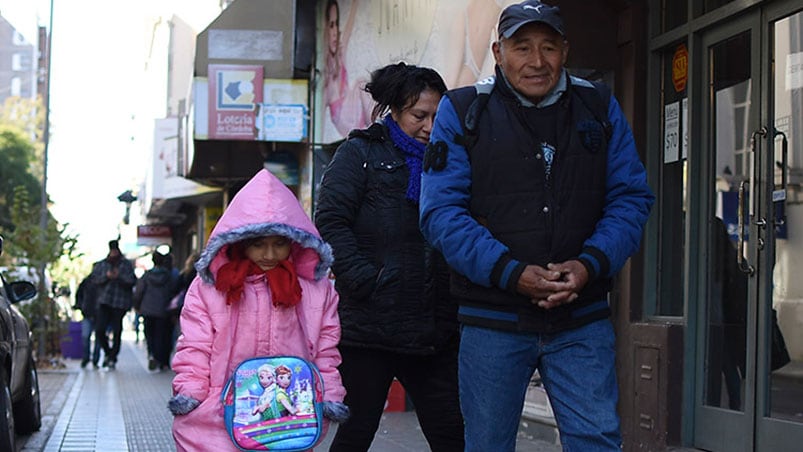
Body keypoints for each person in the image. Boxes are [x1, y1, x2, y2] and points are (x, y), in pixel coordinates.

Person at [419, 2, 655, 450]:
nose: (537, 60)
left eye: (549, 47)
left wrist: (588, 265)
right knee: (487, 443)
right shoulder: (463, 110)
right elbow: (440, 214)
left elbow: (631, 198)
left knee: (598, 439)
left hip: (581, 317)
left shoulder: (598, 106)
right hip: (493, 319)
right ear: (497, 51)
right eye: (522, 47)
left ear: (565, 50)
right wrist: (512, 273)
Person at [315, 62, 464, 451]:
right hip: (370, 326)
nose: (430, 127)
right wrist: (365, 278)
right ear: (394, 110)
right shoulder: (360, 152)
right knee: (356, 431)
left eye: (438, 115)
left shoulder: (452, 159)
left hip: (434, 326)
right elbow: (330, 221)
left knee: (451, 433)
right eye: (420, 116)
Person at [168, 169, 348, 451]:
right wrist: (191, 391)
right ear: (239, 243)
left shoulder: (316, 289)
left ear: (294, 242)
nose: (269, 255)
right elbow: (195, 345)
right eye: (258, 244)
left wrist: (330, 393)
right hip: (218, 407)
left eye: (279, 244)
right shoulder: (211, 288)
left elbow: (325, 348)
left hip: (289, 413)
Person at [323, 0, 373, 139]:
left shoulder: (339, 55)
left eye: (336, 24)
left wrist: (355, 5)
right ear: (325, 28)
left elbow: (348, 29)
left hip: (350, 114)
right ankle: (378, 130)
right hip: (343, 118)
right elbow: (319, 111)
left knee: (362, 84)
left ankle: (377, 128)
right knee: (361, 84)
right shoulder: (324, 73)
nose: (334, 33)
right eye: (331, 25)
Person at [90, 239, 137, 370]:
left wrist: (119, 277)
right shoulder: (102, 264)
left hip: (119, 302)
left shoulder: (125, 264)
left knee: (117, 330)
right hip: (104, 301)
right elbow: (94, 280)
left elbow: (132, 281)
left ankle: (112, 356)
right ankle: (109, 353)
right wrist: (107, 277)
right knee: (99, 329)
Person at [133, 250, 178, 371]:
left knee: (150, 335)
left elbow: (139, 292)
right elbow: (173, 291)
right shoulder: (168, 276)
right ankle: (161, 360)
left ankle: (152, 354)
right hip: (163, 310)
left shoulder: (147, 276)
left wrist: (137, 306)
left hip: (148, 310)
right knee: (161, 336)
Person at [74, 273, 102, 369]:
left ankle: (95, 360)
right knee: (85, 337)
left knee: (98, 338)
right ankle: (86, 358)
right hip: (87, 313)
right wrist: (80, 305)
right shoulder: (87, 281)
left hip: (100, 314)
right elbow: (79, 294)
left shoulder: (104, 282)